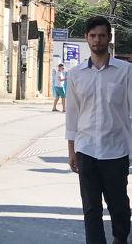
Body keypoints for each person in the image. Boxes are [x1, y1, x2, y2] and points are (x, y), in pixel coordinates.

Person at [66, 16, 131, 244]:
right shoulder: (76, 75)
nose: (97, 40)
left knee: (119, 206)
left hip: (116, 150)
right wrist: (71, 150)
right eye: (92, 36)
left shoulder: (125, 71)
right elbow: (72, 115)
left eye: (102, 35)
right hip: (86, 150)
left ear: (109, 38)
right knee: (91, 208)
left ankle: (120, 239)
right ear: (86, 38)